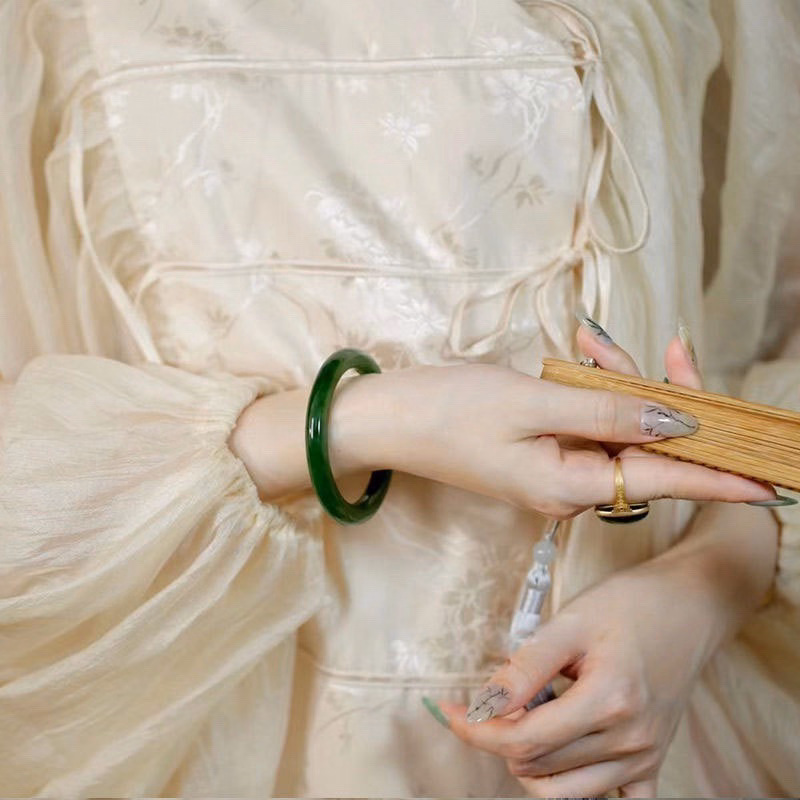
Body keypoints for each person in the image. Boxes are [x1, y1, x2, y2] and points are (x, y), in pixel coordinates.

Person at [0, 0, 798, 796]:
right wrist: (367, 424)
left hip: (647, 715)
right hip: (229, 733)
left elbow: (779, 317)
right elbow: (27, 492)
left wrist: (702, 589)